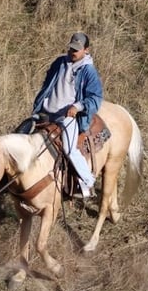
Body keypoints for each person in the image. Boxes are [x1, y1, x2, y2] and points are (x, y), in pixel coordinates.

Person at [31, 31, 102, 198]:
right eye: (71, 48)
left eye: (76, 50)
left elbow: (95, 98)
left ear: (86, 50)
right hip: (46, 112)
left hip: (68, 117)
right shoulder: (59, 63)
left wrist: (77, 107)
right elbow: (47, 85)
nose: (72, 52)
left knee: (70, 150)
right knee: (23, 135)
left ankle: (88, 181)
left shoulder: (88, 71)